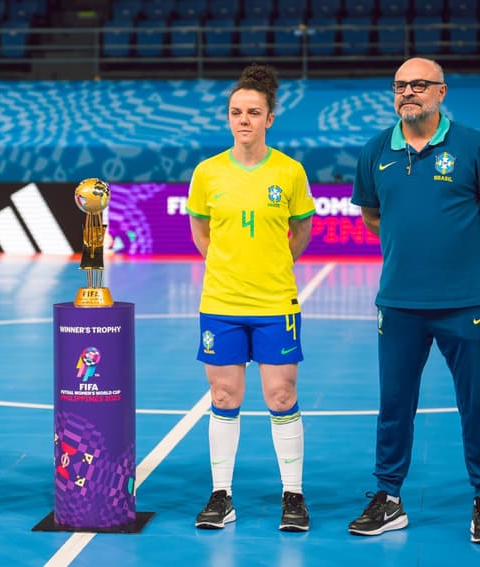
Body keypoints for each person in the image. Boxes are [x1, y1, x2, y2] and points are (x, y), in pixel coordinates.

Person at [348, 57, 480, 544]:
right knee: (394, 404)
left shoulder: (474, 146)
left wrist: (461, 251)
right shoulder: (376, 149)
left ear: (442, 92)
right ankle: (388, 498)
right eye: (400, 86)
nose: (408, 93)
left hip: (465, 302)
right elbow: (373, 217)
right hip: (399, 303)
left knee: (477, 403)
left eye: (419, 85)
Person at [186, 63, 316, 532]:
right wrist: (226, 266)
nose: (244, 120)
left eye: (254, 112)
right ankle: (221, 496)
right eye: (236, 112)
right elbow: (200, 229)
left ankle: (294, 496)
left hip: (275, 303)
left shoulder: (289, 170)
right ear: (228, 118)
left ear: (269, 118)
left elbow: (300, 228)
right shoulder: (207, 172)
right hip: (220, 303)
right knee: (223, 395)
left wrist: (274, 265)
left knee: (281, 396)